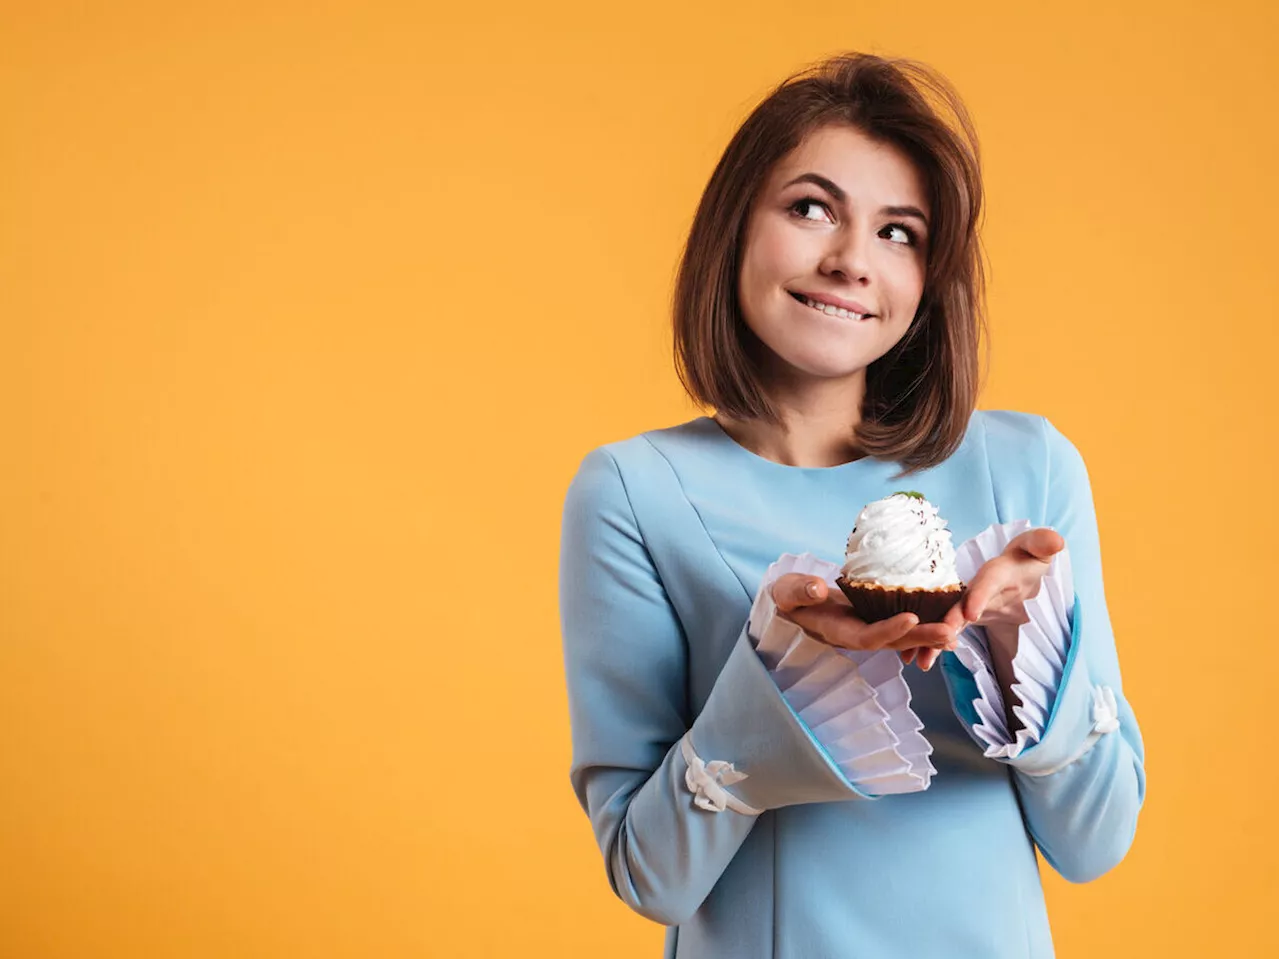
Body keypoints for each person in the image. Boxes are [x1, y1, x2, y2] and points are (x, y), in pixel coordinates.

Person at [558, 52, 1145, 959]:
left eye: (898, 232)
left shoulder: (1029, 469)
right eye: (811, 208)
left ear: (928, 276)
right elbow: (651, 874)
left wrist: (1016, 645)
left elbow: (1096, 842)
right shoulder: (634, 492)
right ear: (736, 229)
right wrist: (786, 667)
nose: (850, 262)